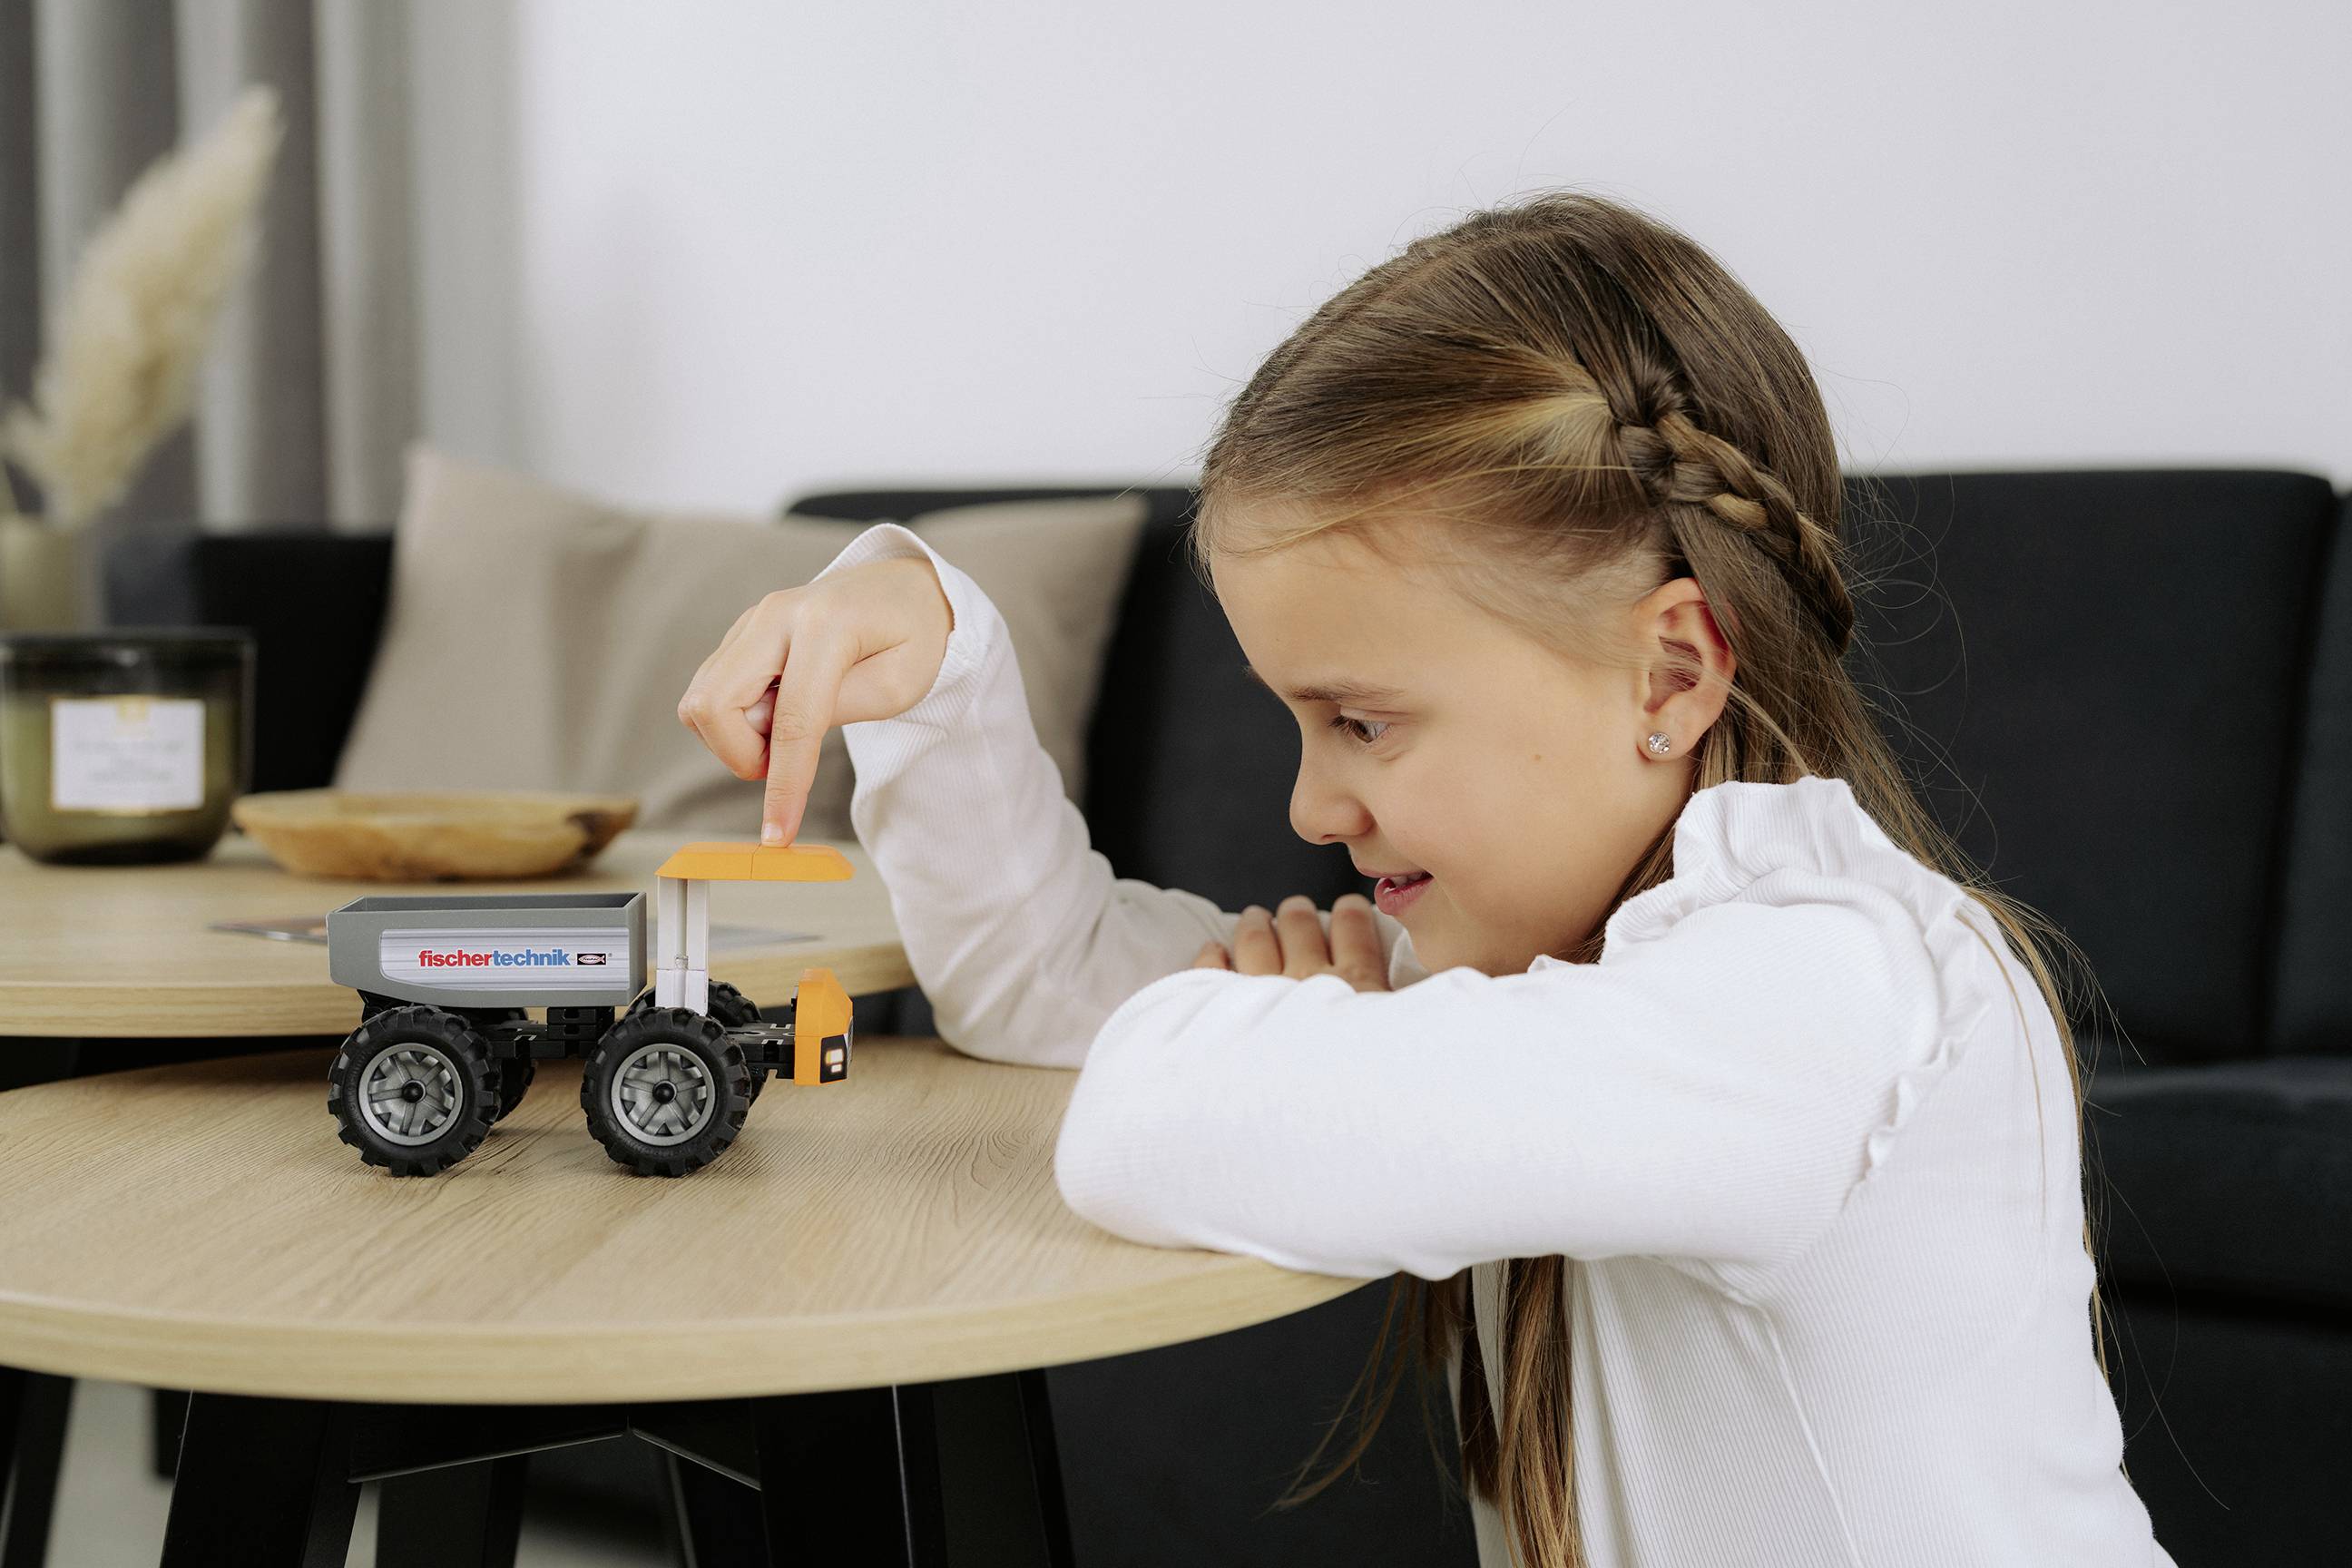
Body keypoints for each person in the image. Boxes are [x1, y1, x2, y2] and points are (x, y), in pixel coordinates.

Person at [676, 189, 2176, 1568]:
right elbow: (1049, 991)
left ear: (1670, 669)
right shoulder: (1538, 985)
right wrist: (939, 665)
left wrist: (1315, 1036)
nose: (1312, 802)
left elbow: (1143, 1116)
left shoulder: (1817, 996)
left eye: (1363, 722)